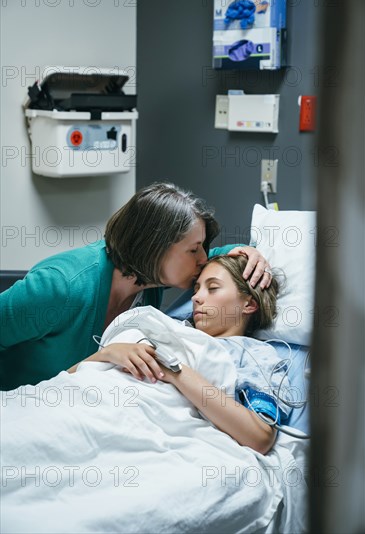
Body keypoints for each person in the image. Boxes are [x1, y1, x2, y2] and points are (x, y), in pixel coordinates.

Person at [0, 182, 272, 390]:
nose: (203, 259)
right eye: (194, 250)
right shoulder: (60, 287)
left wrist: (245, 252)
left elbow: (215, 261)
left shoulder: (148, 280)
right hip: (20, 407)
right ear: (155, 249)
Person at [69, 255, 287, 455]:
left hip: (133, 424)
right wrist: (108, 353)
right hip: (83, 403)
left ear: (248, 304)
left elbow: (260, 437)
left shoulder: (254, 354)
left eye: (212, 288)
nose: (196, 298)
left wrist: (172, 369)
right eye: (196, 289)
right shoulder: (168, 328)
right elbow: (64, 379)